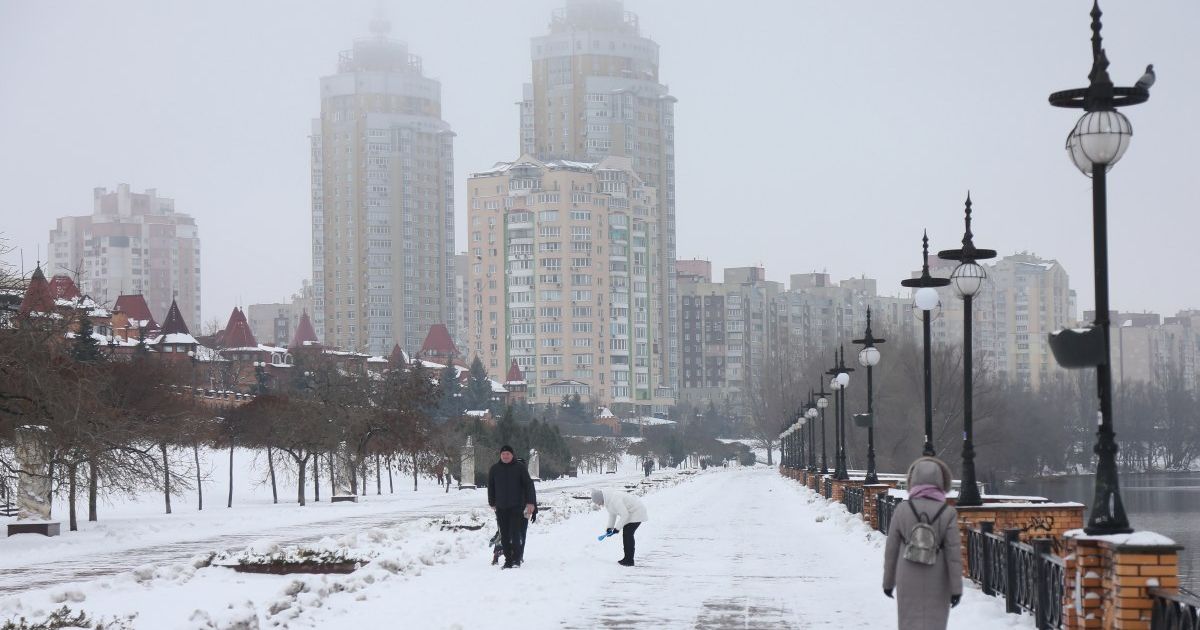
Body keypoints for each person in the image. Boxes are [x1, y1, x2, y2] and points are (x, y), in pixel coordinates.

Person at [882, 456, 963, 630]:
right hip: (938, 577)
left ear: (913, 480)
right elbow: (953, 554)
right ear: (941, 480)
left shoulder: (902, 510)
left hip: (907, 574)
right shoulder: (947, 513)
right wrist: (956, 588)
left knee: (909, 622)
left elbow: (891, 550)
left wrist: (888, 582)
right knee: (935, 622)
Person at [487, 445, 536, 569]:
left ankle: (516, 560)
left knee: (515, 533)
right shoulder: (494, 469)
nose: (505, 456)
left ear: (512, 455)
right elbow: (491, 486)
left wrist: (531, 502)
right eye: (503, 454)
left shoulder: (520, 468)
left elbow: (529, 485)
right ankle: (508, 560)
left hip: (516, 506)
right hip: (501, 506)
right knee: (504, 535)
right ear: (500, 455)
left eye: (507, 454)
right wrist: (492, 502)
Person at [591, 488, 648, 567]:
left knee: (627, 534)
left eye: (598, 503)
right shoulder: (608, 501)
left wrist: (617, 529)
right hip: (631, 514)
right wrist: (610, 528)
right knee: (627, 534)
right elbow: (612, 515)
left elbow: (625, 515)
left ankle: (629, 560)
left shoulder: (615, 499)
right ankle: (628, 559)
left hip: (637, 512)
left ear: (601, 499)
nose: (599, 505)